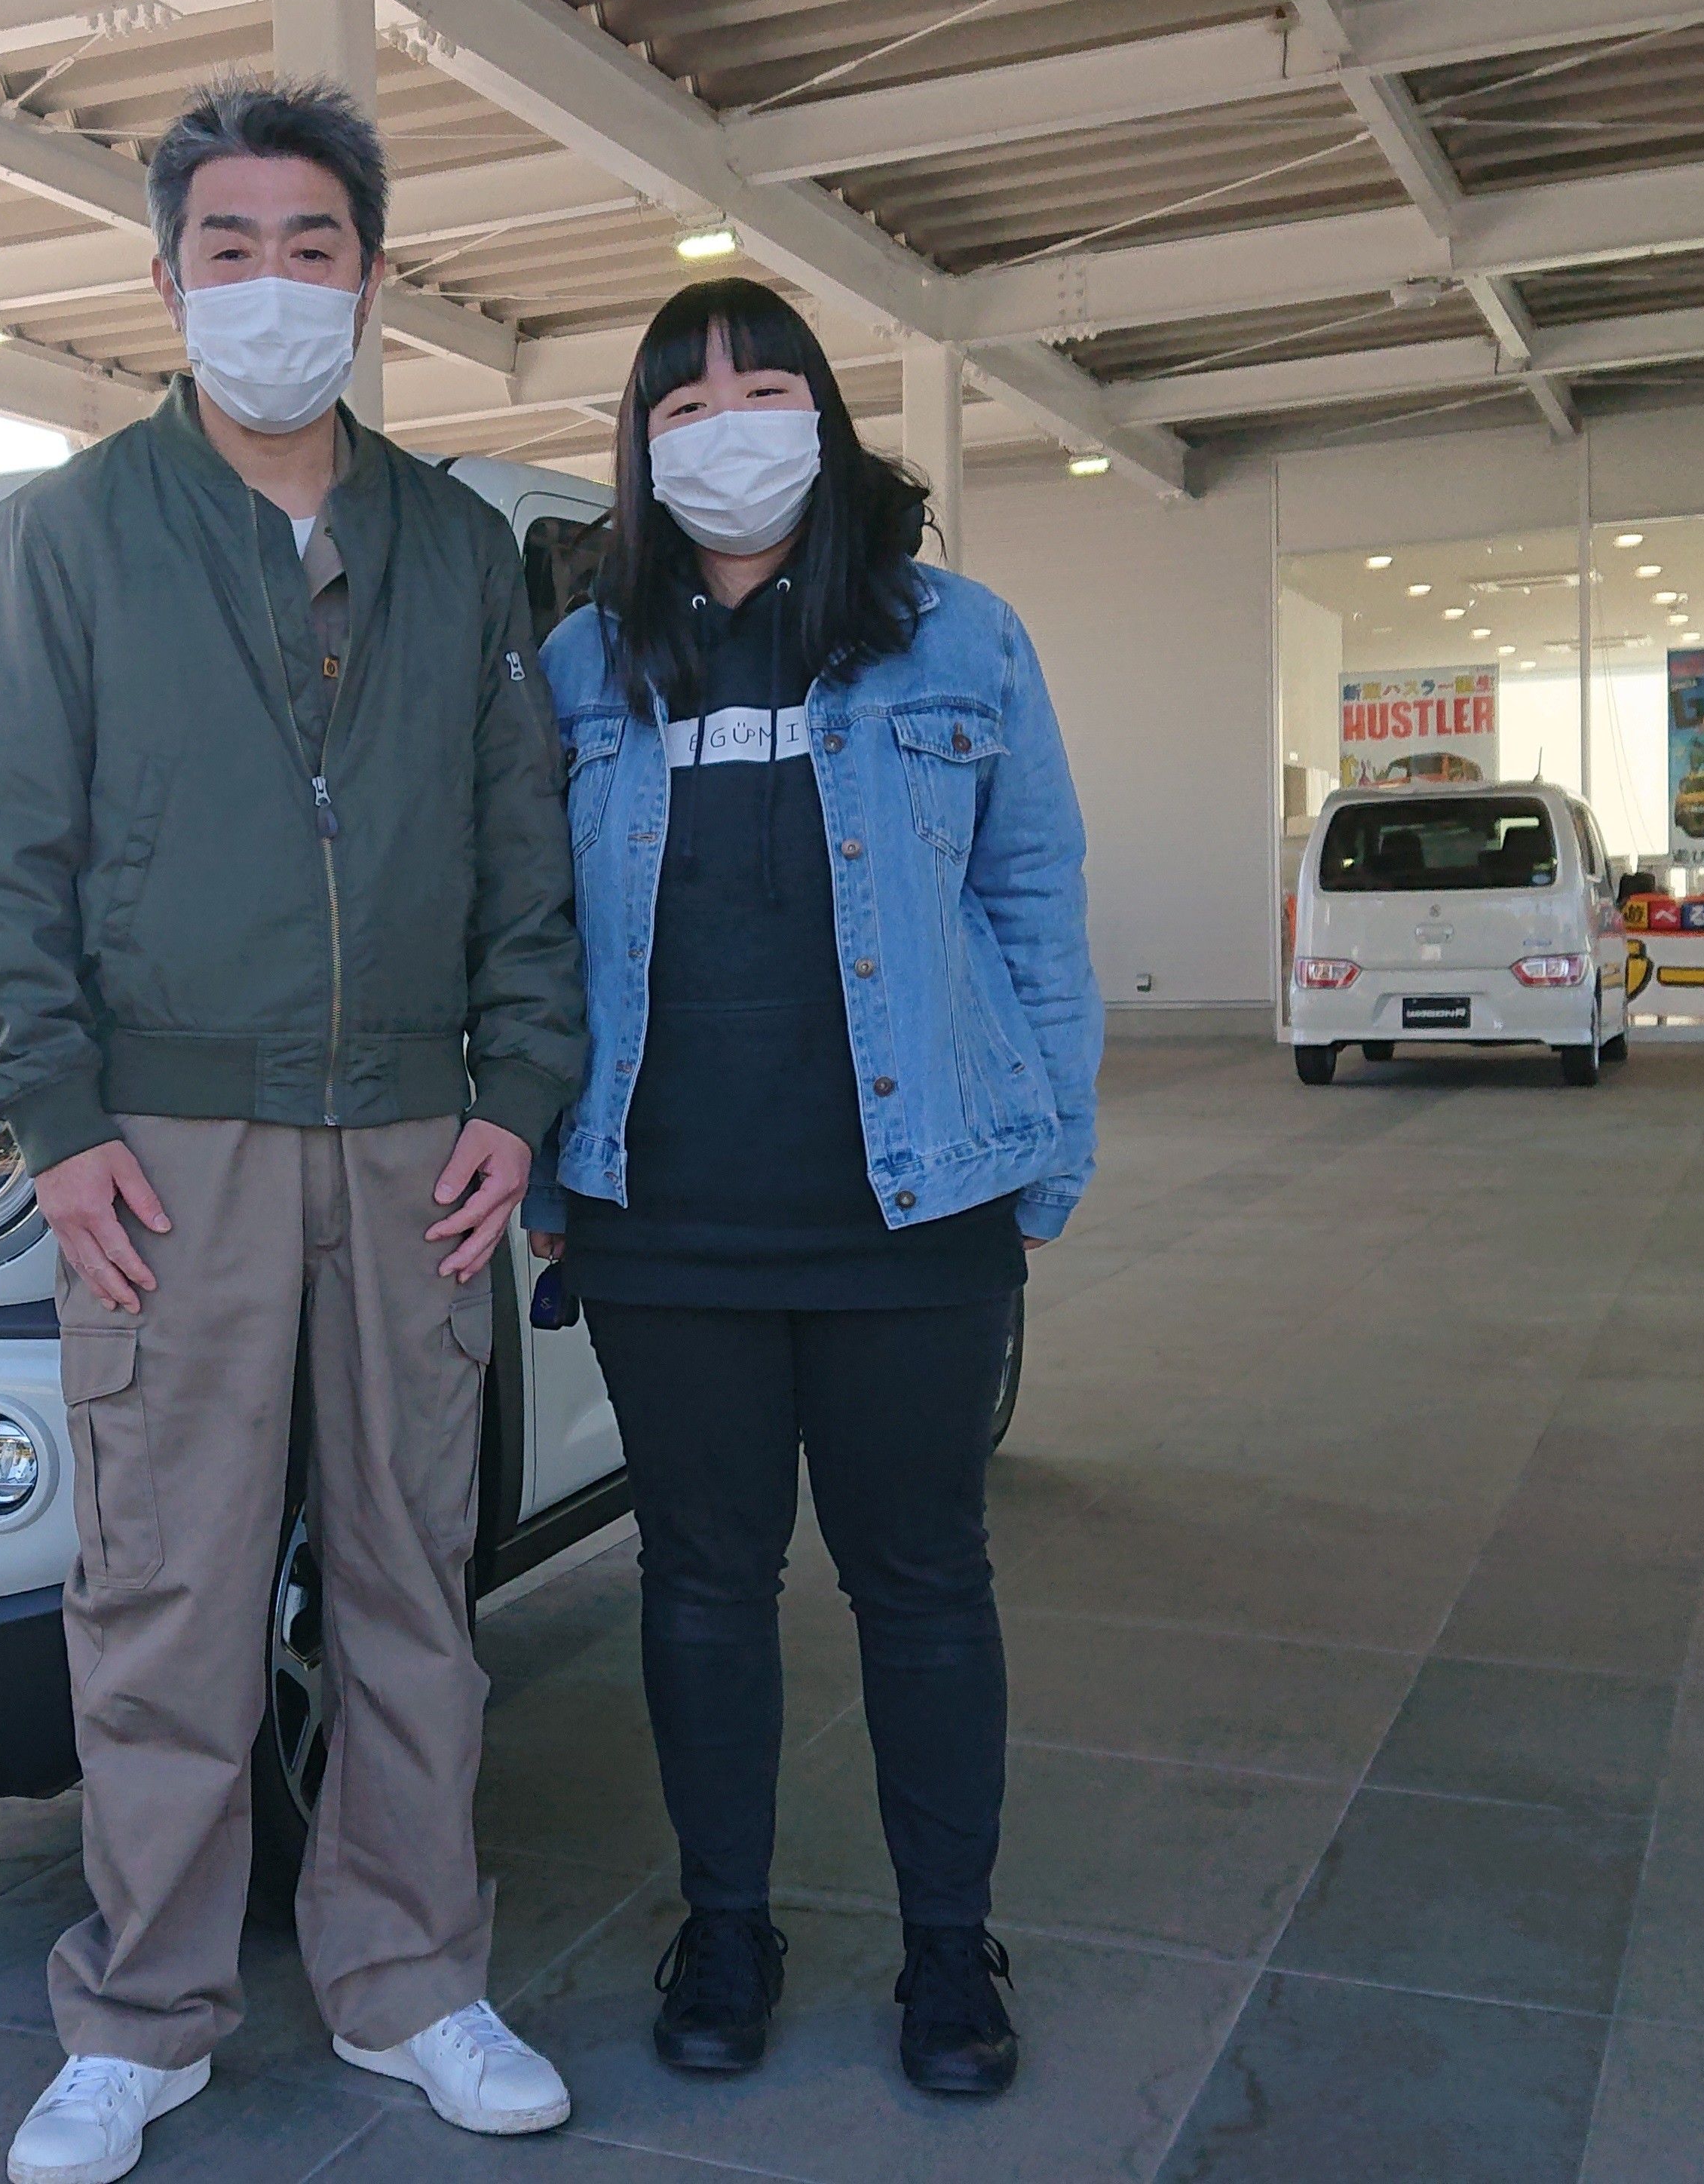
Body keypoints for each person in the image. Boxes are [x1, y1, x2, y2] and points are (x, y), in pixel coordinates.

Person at [0, 76, 587, 2184]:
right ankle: (140, 2018)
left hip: (410, 1140)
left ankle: (413, 1980)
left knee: (412, 1580)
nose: (274, 285)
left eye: (314, 249)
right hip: (165, 1146)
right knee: (164, 1593)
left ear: (372, 283)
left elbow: (524, 857)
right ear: (167, 281)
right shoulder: (68, 537)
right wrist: (56, 1120)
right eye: (232, 249)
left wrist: (520, 1097)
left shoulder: (453, 548)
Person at [521, 276, 1100, 2100]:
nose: (728, 431)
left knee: (921, 1583)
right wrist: (540, 1163)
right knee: (700, 1585)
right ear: (640, 450)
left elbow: (1033, 900)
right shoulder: (579, 664)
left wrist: (1050, 1150)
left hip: (911, 1208)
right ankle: (728, 1925)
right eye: (682, 407)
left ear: (826, 419)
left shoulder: (956, 637)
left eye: (762, 391)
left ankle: (947, 1948)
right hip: (663, 1212)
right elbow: (526, 936)